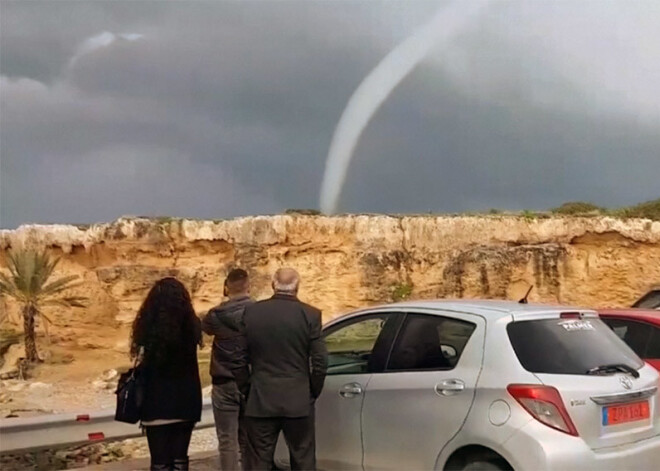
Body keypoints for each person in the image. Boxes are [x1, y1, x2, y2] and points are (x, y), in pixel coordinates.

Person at [242, 268, 328, 471]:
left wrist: (247, 387)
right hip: (298, 398)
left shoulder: (252, 312)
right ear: (297, 286)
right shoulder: (310, 314)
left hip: (261, 397)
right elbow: (320, 360)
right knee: (303, 459)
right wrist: (312, 390)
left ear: (273, 284)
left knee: (259, 461)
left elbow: (238, 357)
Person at [130, 277, 202, 471]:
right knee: (180, 460)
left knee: (160, 462)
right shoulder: (191, 327)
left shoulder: (147, 328)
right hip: (186, 402)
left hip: (156, 403)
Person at [202, 268, 254, 471]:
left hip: (223, 382)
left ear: (226, 288)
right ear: (248, 286)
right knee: (249, 439)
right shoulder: (258, 312)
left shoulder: (214, 315)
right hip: (249, 381)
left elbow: (205, 329)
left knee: (226, 441)